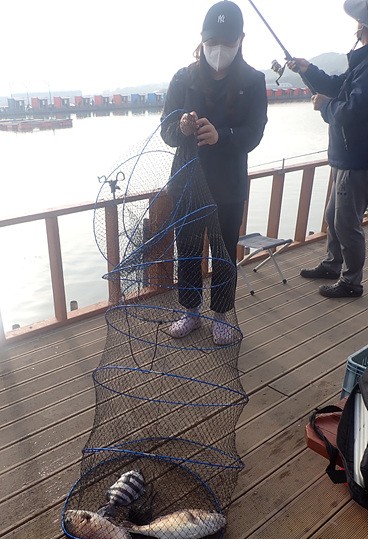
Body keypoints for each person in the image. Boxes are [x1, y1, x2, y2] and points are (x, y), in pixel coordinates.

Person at [160, 0, 267, 342]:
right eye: (211, 42)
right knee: (188, 250)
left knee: (223, 252)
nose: (218, 49)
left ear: (240, 40)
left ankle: (221, 315)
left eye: (226, 42)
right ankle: (190, 312)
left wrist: (223, 136)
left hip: (228, 186)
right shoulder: (183, 78)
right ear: (201, 40)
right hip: (187, 183)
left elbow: (254, 133)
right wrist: (182, 127)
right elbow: (166, 132)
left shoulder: (253, 81)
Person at [287, 0, 368, 298]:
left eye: (359, 23)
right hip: (347, 156)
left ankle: (351, 282)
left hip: (356, 160)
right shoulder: (360, 64)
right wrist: (308, 70)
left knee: (346, 224)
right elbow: (337, 86)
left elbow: (352, 110)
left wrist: (324, 106)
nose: (356, 27)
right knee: (334, 216)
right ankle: (333, 264)